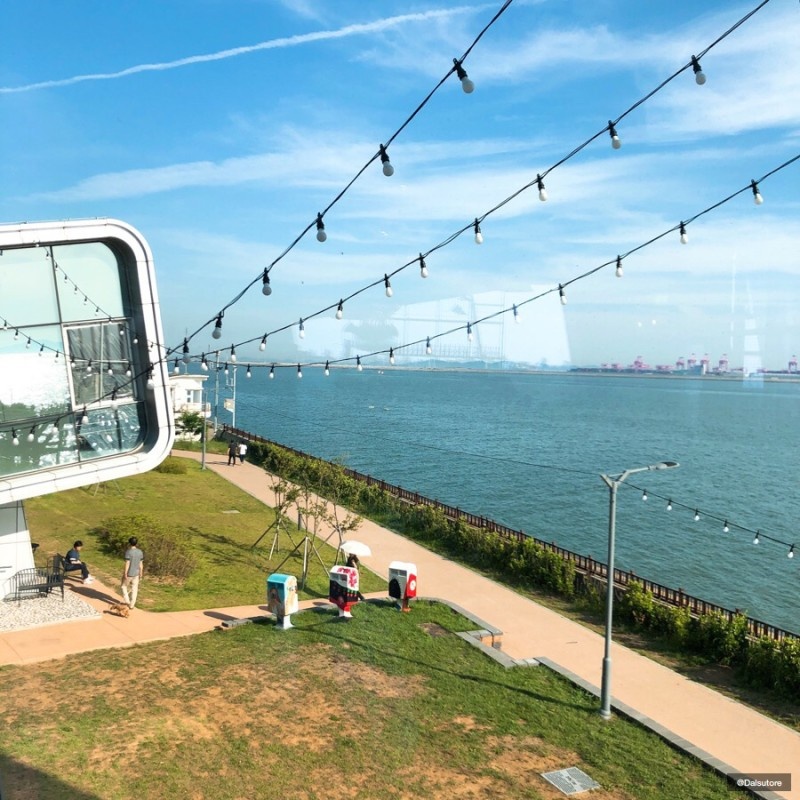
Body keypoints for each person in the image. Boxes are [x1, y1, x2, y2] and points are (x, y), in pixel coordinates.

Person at [121, 536, 144, 609]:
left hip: (129, 573)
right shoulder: (140, 552)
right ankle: (132, 605)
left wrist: (125, 573)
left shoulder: (128, 552)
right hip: (136, 574)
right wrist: (141, 573)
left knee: (123, 586)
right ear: (136, 543)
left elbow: (127, 563)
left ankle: (127, 601)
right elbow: (141, 564)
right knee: (134, 589)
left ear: (129, 543)